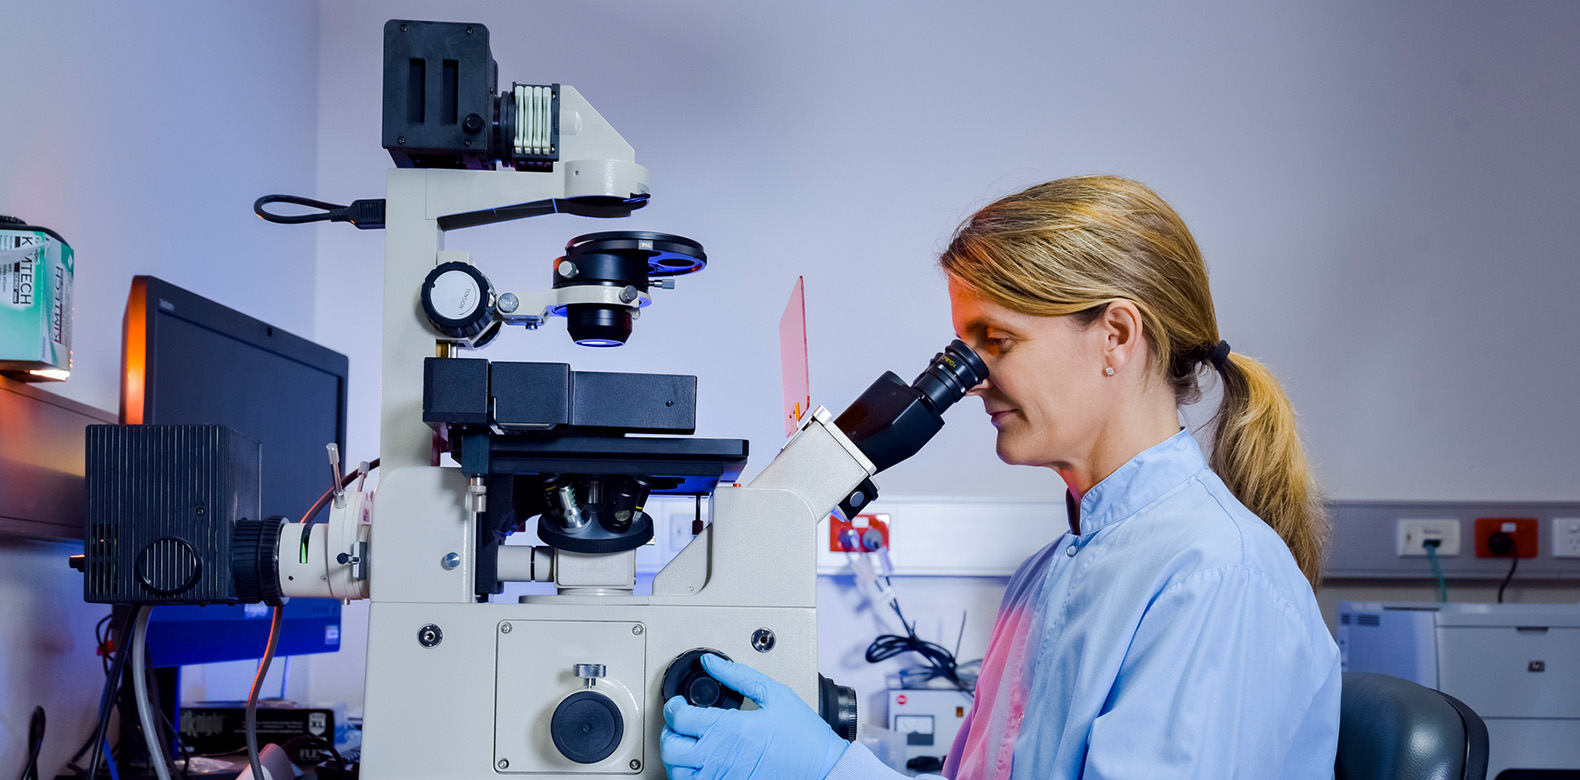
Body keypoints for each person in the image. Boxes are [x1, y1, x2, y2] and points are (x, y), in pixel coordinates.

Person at [660, 175, 1341, 780]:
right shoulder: (1048, 575)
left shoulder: (1214, 579)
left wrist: (833, 771)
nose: (974, 382)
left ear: (1117, 336)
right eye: (966, 348)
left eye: (997, 341)